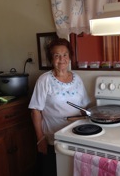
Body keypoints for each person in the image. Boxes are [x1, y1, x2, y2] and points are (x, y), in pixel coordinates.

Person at [28, 38, 90, 176]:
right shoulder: (44, 80)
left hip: (75, 136)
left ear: (69, 57)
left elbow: (84, 107)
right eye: (57, 56)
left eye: (65, 55)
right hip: (52, 139)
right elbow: (35, 111)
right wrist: (40, 139)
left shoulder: (77, 79)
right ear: (51, 59)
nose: (61, 59)